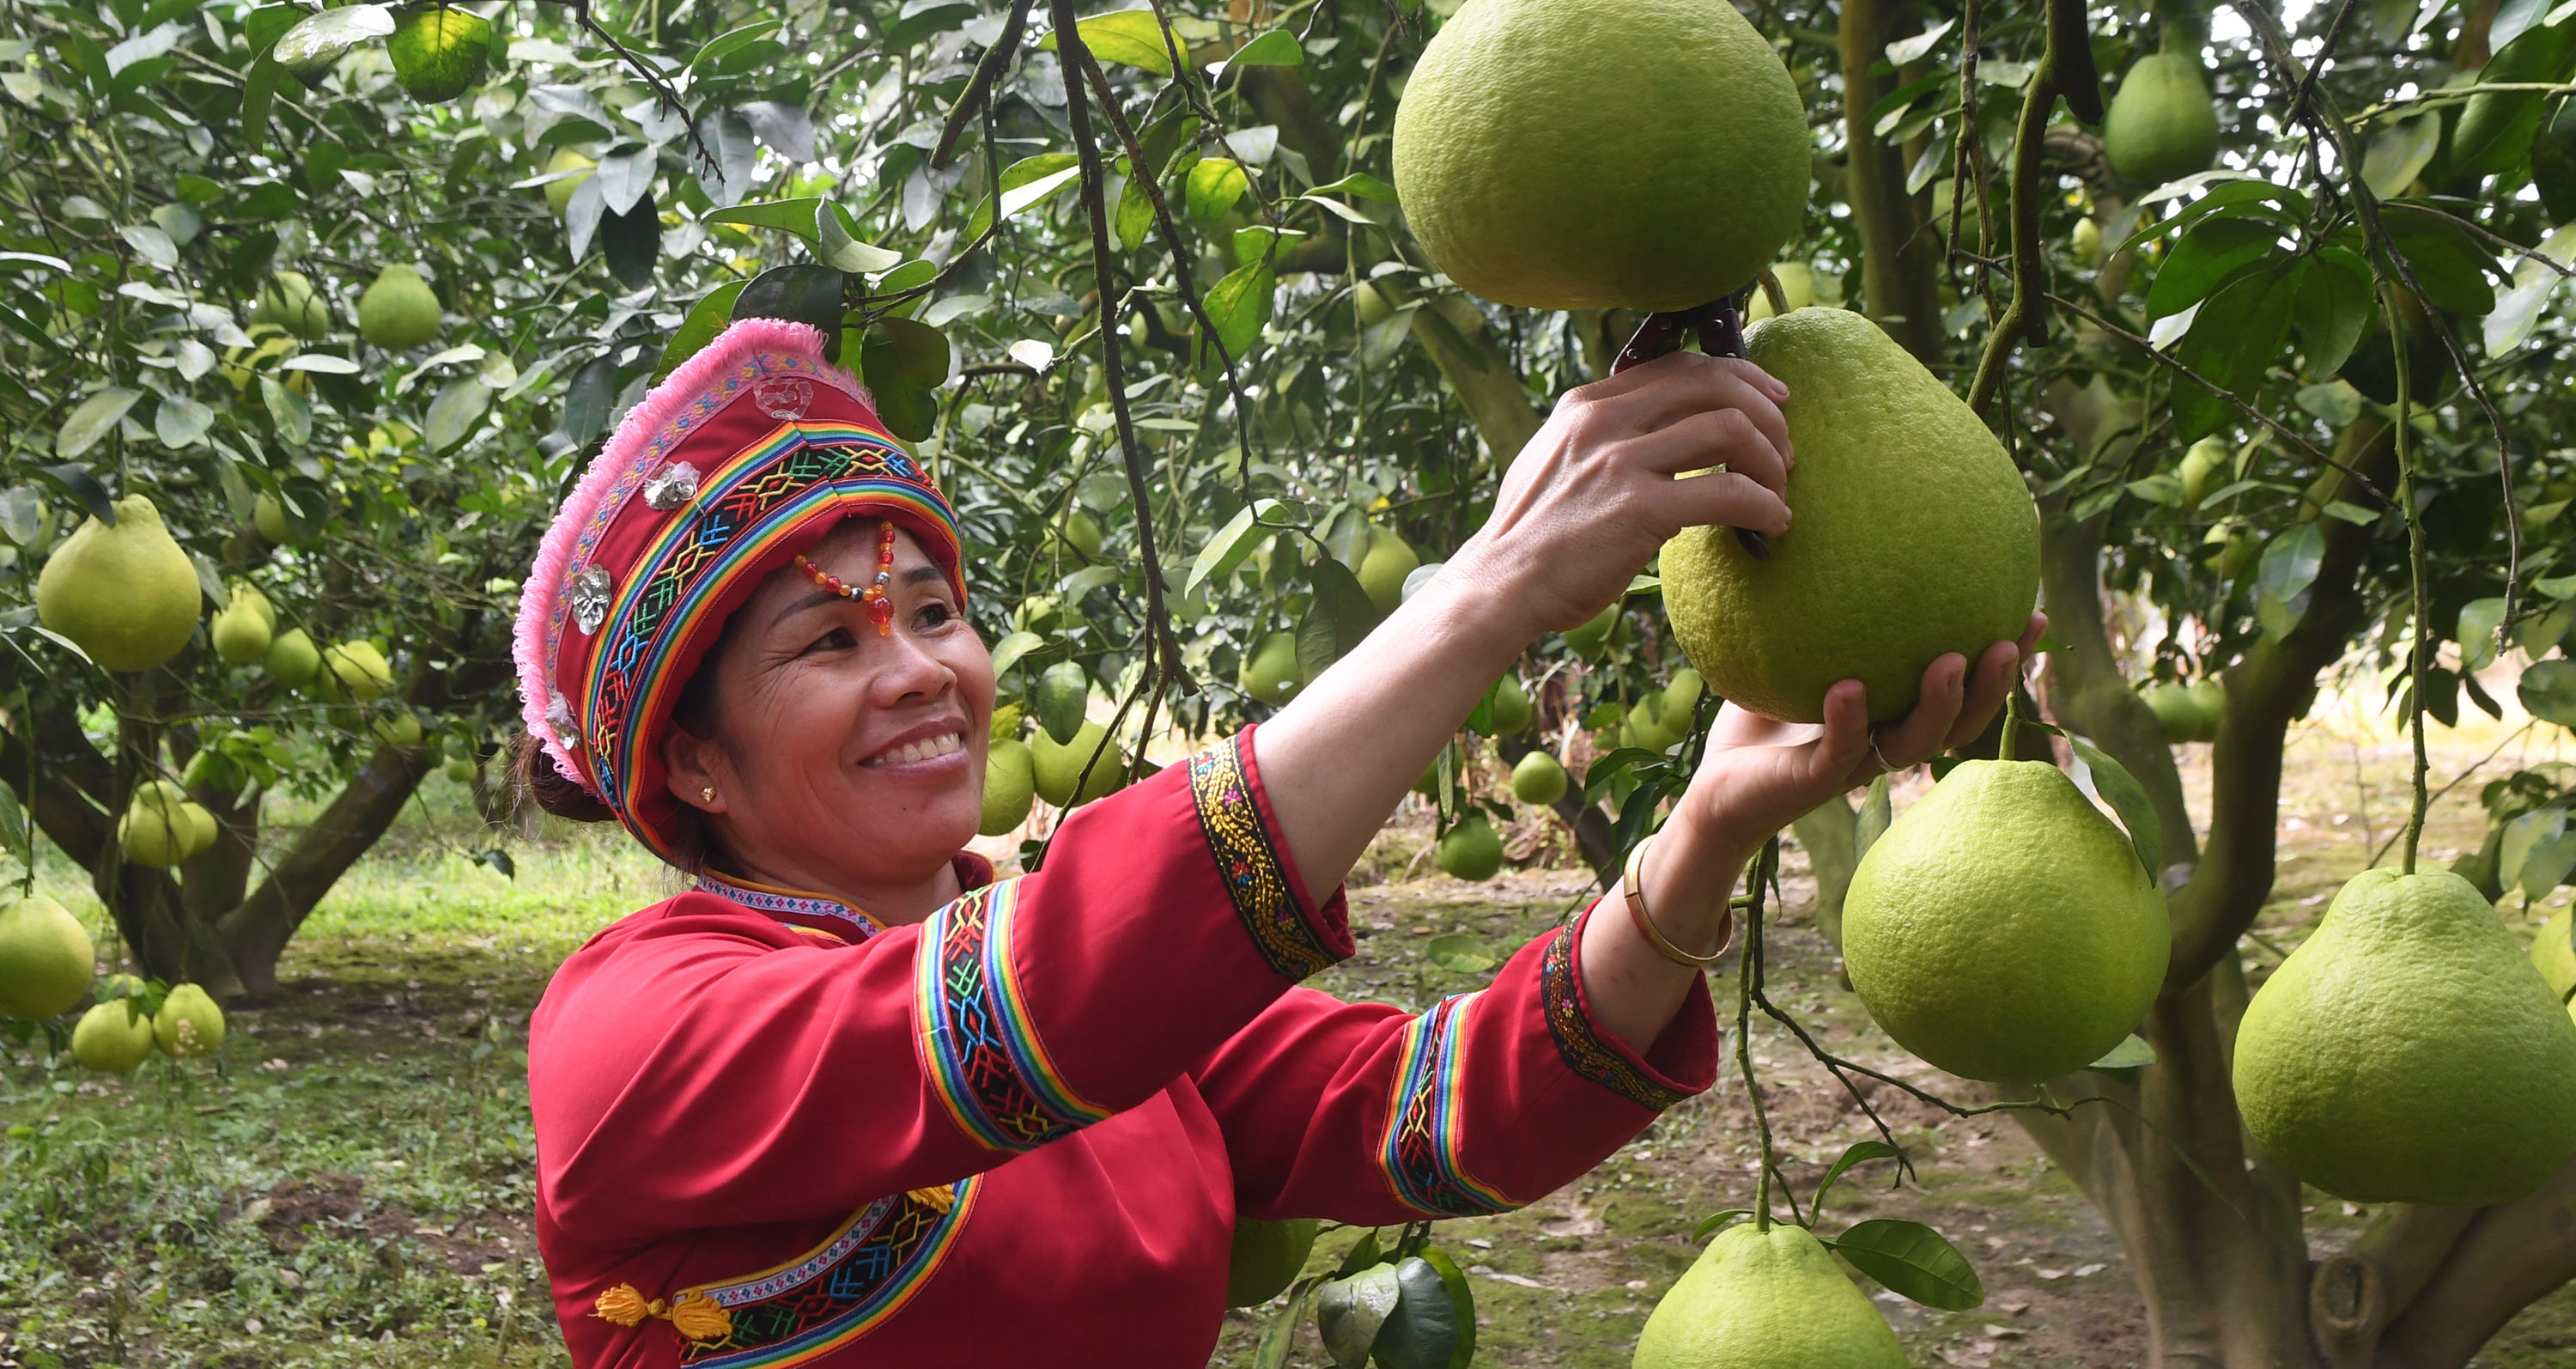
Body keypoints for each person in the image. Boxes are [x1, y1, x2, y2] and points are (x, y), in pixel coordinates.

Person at [513, 315, 2036, 1367]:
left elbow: (1442, 1110)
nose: (921, 669)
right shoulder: (636, 1034)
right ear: (696, 761)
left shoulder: (1130, 1022)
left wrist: (1704, 826)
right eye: (828, 643)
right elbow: (1017, 1010)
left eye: (933, 613)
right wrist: (1475, 598)